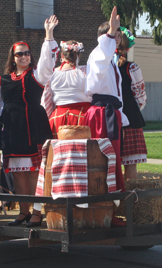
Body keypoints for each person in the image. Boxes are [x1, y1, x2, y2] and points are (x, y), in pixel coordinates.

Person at [0, 15, 59, 227]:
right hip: (13, 128)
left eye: (27, 53)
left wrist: (49, 34)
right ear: (13, 58)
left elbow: (48, 63)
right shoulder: (3, 80)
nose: (24, 57)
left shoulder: (37, 75)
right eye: (19, 54)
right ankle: (23, 212)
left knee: (34, 172)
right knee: (19, 174)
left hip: (33, 125)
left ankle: (37, 212)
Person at [84, 7, 127, 227]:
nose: (118, 38)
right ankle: (105, 212)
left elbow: (116, 92)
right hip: (102, 114)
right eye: (115, 35)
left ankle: (109, 211)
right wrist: (111, 32)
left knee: (113, 161)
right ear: (105, 37)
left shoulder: (111, 60)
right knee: (104, 163)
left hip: (109, 112)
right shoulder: (99, 55)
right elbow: (102, 55)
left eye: (118, 35)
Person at [41, 40, 91, 138]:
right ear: (78, 55)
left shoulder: (52, 74)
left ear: (62, 56)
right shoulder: (86, 71)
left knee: (59, 152)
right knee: (82, 151)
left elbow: (46, 101)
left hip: (58, 118)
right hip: (83, 117)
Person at [116, 27, 147, 180]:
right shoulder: (131, 68)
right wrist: (134, 108)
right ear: (127, 48)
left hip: (109, 116)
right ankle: (129, 202)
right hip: (131, 116)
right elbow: (140, 97)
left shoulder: (102, 67)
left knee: (109, 163)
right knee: (130, 163)